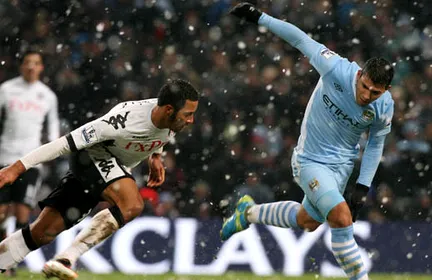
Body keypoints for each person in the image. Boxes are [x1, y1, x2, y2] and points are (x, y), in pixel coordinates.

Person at [221, 3, 395, 280]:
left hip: (341, 167)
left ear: (385, 90)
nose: (366, 95)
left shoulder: (384, 106)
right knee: (341, 217)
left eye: (375, 92)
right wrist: (258, 17)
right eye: (364, 86)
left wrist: (362, 186)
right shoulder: (336, 68)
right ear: (360, 74)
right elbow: (300, 38)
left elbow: (375, 144)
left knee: (308, 221)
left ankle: (248, 213)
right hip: (309, 160)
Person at [0, 79, 199, 279]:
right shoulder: (121, 122)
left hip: (109, 167)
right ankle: (66, 258)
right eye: (188, 114)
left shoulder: (171, 119)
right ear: (169, 110)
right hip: (91, 156)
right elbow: (64, 143)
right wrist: (16, 169)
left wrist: (155, 156)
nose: (191, 120)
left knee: (42, 233)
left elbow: (160, 133)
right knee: (132, 204)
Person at [0, 48, 59, 275]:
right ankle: (4, 257)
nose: (31, 67)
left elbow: (52, 128)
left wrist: (53, 150)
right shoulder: (6, 90)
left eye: (36, 63)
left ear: (41, 67)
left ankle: (10, 258)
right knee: (1, 213)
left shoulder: (47, 96)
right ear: (21, 65)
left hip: (31, 161)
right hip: (4, 158)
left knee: (23, 214)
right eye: (27, 62)